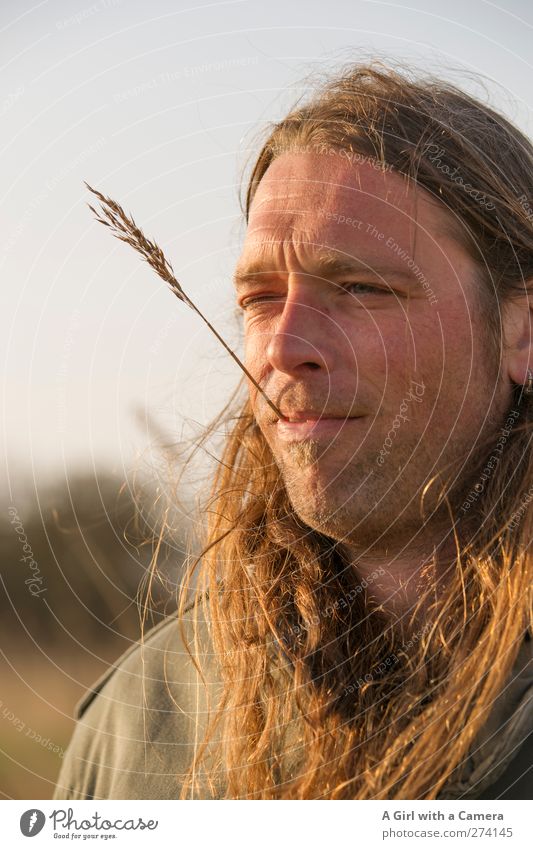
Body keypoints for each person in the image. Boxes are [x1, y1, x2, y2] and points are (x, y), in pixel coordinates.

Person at [54, 61, 533, 801]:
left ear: (521, 331)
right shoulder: (138, 721)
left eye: (362, 287)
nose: (282, 346)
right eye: (259, 297)